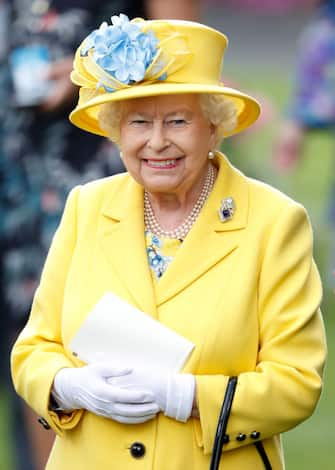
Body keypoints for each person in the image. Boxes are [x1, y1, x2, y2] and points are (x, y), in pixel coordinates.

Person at [11, 14, 327, 470]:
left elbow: (296, 384)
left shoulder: (274, 222)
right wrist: (67, 385)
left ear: (214, 128)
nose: (157, 143)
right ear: (118, 131)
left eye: (178, 121)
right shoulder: (87, 206)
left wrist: (185, 396)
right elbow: (32, 350)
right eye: (139, 122)